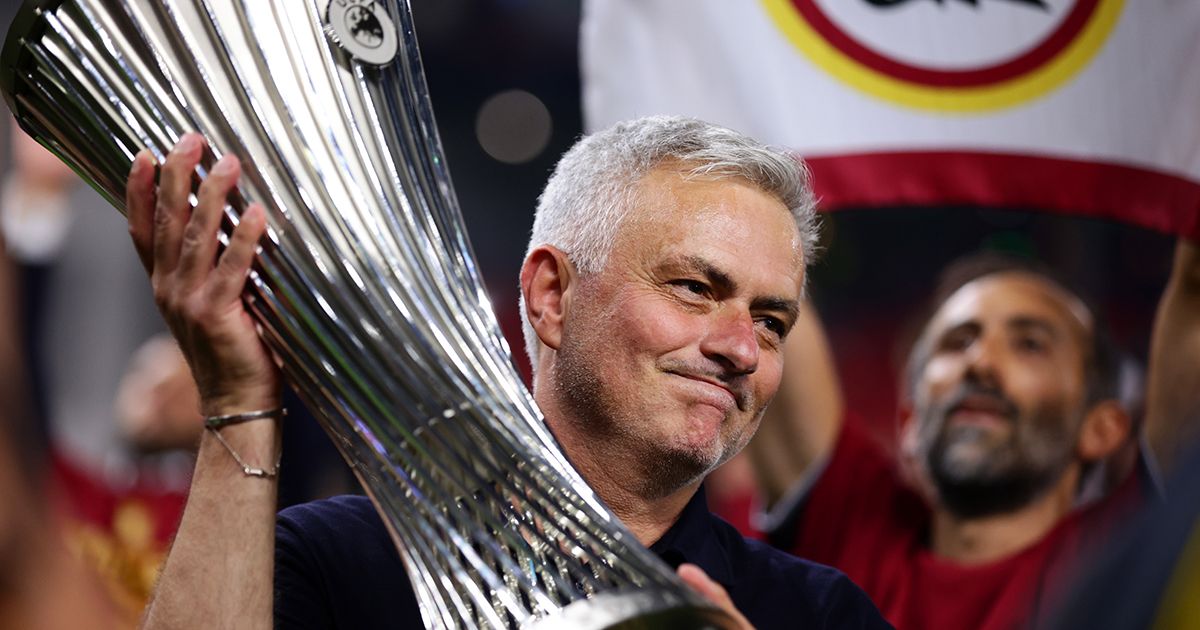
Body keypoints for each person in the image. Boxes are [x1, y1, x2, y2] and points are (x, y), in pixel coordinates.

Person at [127, 116, 889, 629]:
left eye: (771, 321)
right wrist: (236, 400)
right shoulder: (338, 563)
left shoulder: (821, 614)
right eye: (696, 288)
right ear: (552, 297)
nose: (742, 348)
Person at [748, 245, 1200, 629]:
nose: (980, 361)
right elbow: (757, 266)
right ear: (909, 422)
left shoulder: (1122, 552)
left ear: (1101, 429)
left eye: (1030, 344)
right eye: (957, 341)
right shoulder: (853, 525)